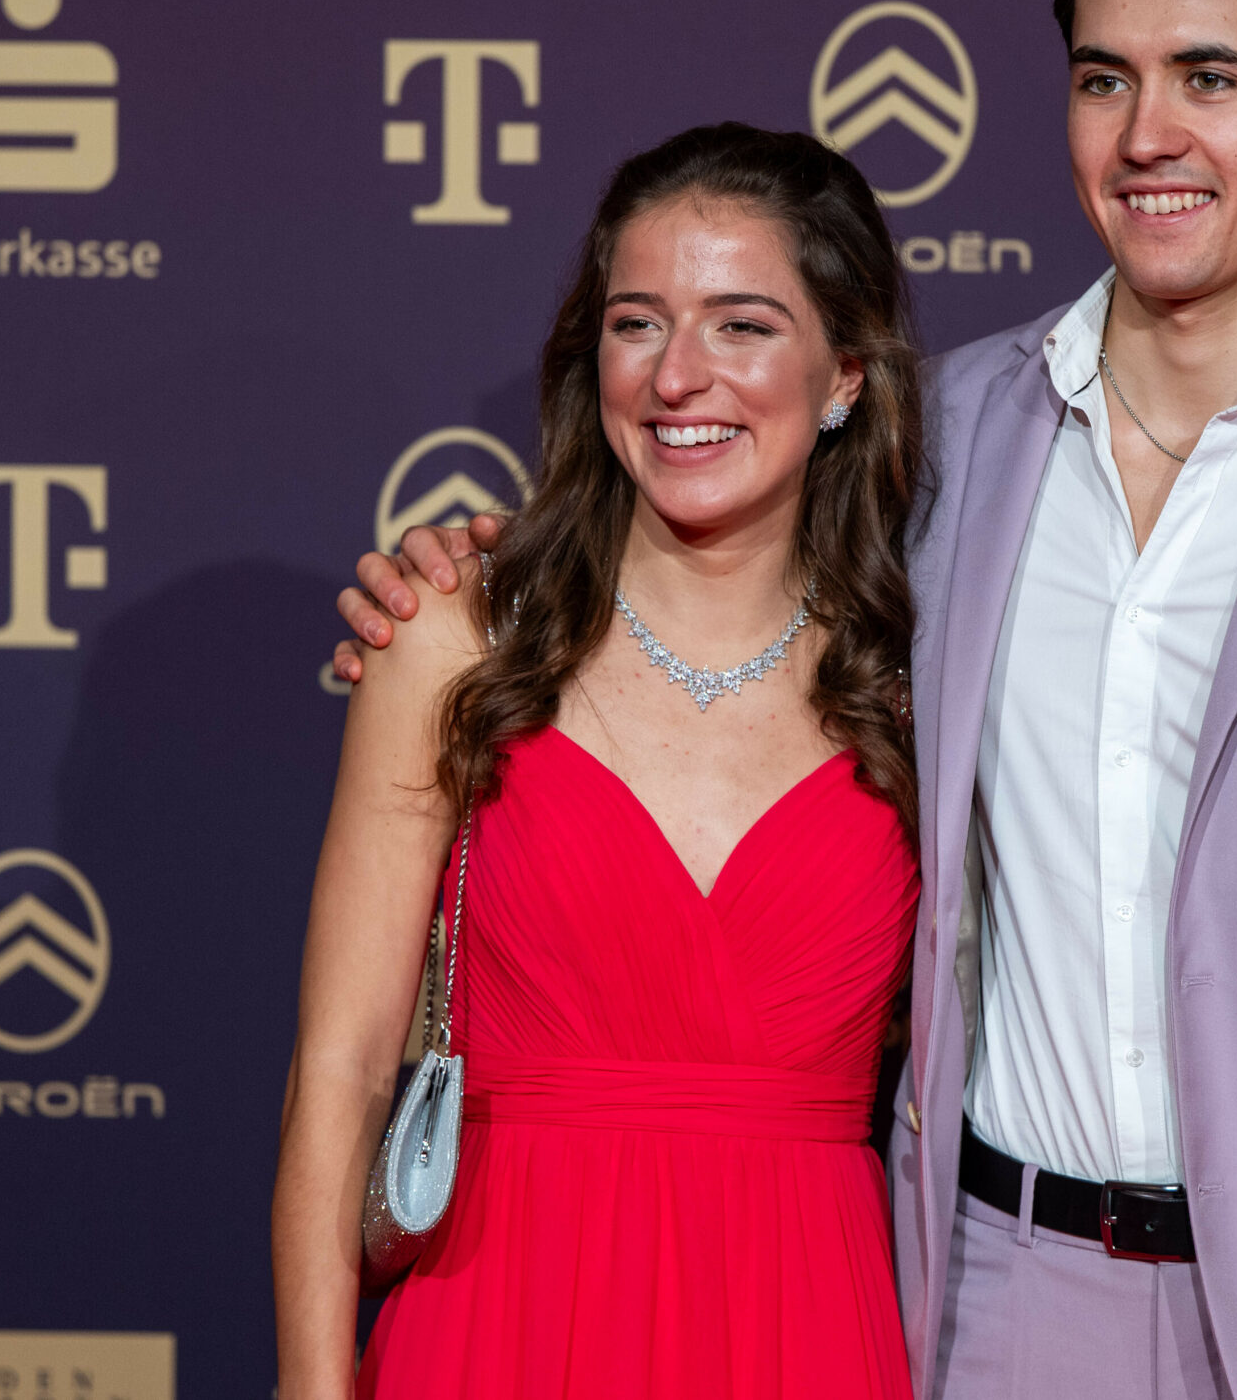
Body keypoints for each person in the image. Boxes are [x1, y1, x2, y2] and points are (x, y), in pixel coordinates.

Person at [335, 0, 1237, 1399]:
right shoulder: (942, 448)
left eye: (1210, 76)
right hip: (992, 1313)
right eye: (1106, 78)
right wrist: (461, 583)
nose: (1149, 134)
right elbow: (690, 537)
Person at [274, 122, 930, 1400]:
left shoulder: (927, 674)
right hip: (497, 1316)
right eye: (639, 323)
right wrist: (313, 1383)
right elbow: (341, 1066)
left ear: (844, 371)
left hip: (802, 1323)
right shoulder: (459, 634)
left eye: (742, 325)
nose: (679, 376)